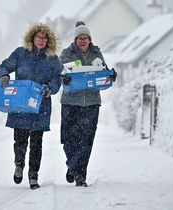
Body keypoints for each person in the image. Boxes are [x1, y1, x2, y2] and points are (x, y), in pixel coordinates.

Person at [0, 23, 62, 190]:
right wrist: (4, 75)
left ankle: (33, 175)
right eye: (39, 37)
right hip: (20, 104)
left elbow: (57, 79)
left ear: (49, 40)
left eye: (45, 37)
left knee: (37, 143)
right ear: (32, 38)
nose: (41, 40)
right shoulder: (20, 53)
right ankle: (19, 164)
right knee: (20, 139)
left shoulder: (53, 59)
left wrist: (50, 88)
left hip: (41, 105)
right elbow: (3, 66)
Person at [59, 21, 115, 187]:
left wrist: (110, 76)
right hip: (70, 103)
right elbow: (57, 72)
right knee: (68, 139)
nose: (82, 41)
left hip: (91, 104)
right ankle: (72, 163)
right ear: (75, 40)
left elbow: (103, 75)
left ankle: (80, 176)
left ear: (90, 40)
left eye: (85, 38)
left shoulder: (96, 54)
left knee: (86, 141)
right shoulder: (67, 54)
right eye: (79, 38)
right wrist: (63, 76)